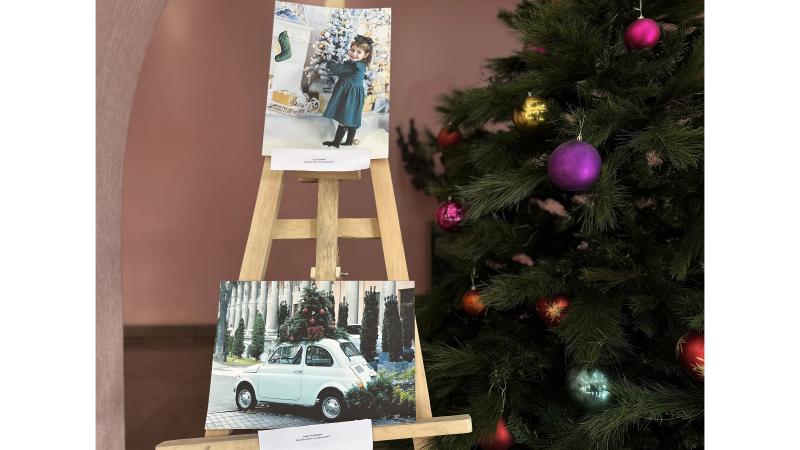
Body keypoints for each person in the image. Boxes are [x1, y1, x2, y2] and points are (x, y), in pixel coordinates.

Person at [322, 35, 373, 148]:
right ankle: (348, 142)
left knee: (344, 117)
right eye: (352, 50)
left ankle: (336, 143)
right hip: (353, 93)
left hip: (350, 95)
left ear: (366, 55)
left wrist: (329, 63)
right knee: (351, 117)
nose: (354, 54)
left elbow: (338, 70)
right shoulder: (358, 64)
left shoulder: (356, 66)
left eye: (358, 52)